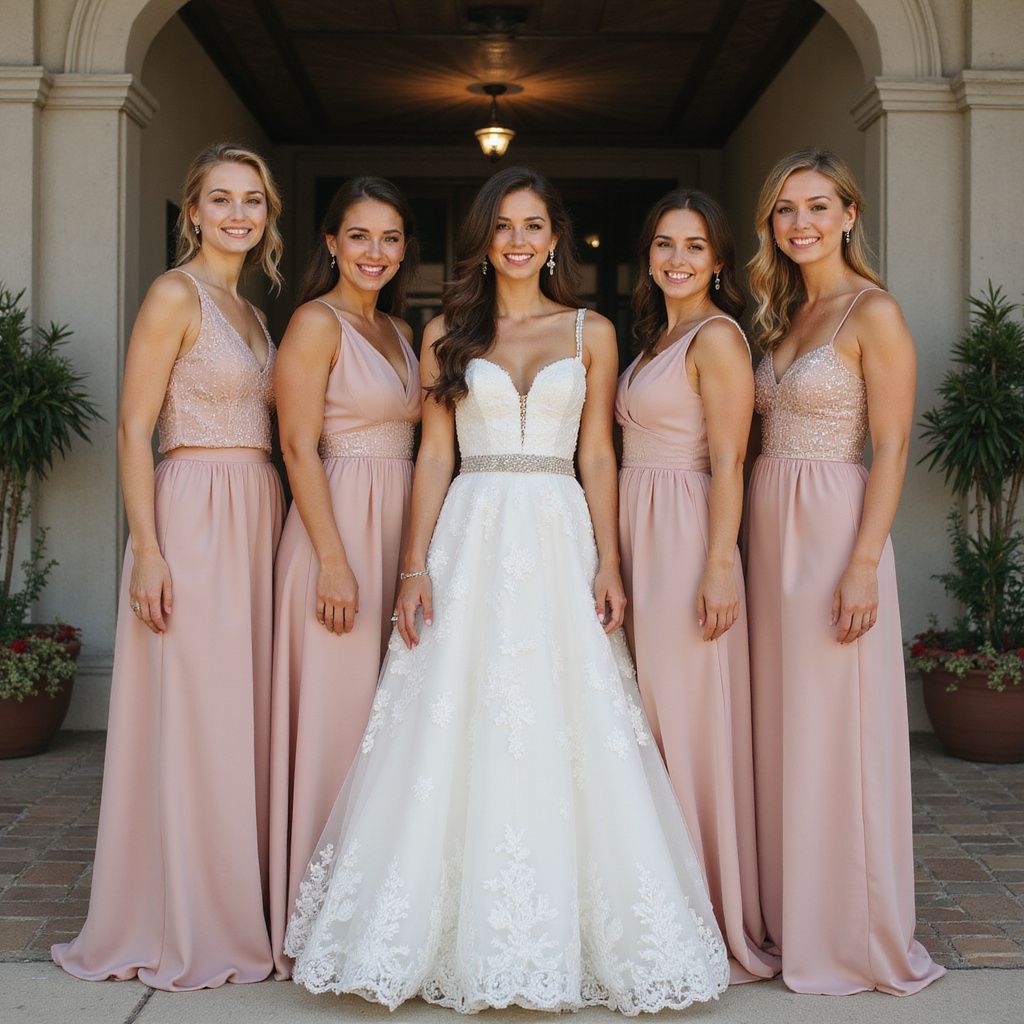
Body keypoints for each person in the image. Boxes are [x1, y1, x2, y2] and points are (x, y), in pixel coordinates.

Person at [283, 167, 729, 1014]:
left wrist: (608, 560)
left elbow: (598, 452)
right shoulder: (447, 327)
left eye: (533, 225)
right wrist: (413, 564)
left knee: (569, 715)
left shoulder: (590, 331)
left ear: (555, 237)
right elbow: (434, 456)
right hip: (471, 530)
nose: (518, 240)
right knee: (459, 714)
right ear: (484, 241)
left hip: (559, 531)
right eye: (503, 227)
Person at [52, 142, 285, 990]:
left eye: (252, 200)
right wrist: (148, 549)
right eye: (220, 199)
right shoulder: (174, 293)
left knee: (238, 716)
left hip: (257, 507)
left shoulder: (253, 309)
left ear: (267, 215)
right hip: (191, 508)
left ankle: (233, 898)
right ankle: (184, 914)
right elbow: (131, 428)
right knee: (193, 715)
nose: (236, 214)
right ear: (192, 211)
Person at [745, 148, 945, 995]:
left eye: (818, 207)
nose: (801, 224)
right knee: (784, 730)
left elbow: (893, 445)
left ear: (850, 214)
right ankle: (794, 918)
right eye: (785, 210)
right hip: (767, 529)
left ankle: (854, 933)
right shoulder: (781, 314)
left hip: (834, 529)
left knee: (839, 732)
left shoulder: (873, 312)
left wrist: (864, 563)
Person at [616, 189, 778, 985]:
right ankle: (659, 900)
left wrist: (720, 561)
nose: (677, 259)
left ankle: (710, 912)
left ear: (720, 261)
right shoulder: (655, 339)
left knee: (688, 722)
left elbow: (729, 459)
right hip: (638, 532)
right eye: (663, 245)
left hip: (683, 531)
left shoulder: (717, 338)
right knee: (646, 719)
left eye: (694, 247)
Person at [268, 178, 420, 977]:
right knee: (334, 725)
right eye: (359, 236)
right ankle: (310, 918)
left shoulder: (399, 331)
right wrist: (331, 557)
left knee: (385, 726)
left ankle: (369, 910)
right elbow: (296, 445)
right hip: (335, 531)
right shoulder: (314, 322)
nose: (374, 253)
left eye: (390, 238)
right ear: (330, 242)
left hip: (396, 526)